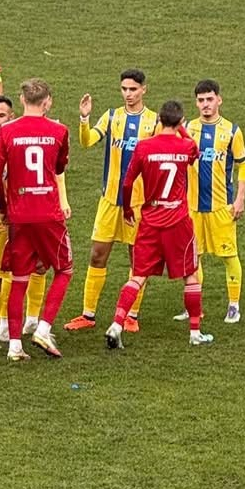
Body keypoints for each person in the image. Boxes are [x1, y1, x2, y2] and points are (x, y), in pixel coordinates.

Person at [106, 101, 211, 350]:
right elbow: (195, 151)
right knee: (190, 276)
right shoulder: (186, 146)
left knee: (138, 275)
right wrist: (182, 130)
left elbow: (127, 182)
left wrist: (129, 208)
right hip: (178, 220)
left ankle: (116, 324)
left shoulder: (144, 147)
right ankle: (195, 332)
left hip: (150, 220)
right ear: (180, 120)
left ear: (159, 120)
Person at [0, 79, 73, 362]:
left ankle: (14, 346)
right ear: (47, 101)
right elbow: (60, 166)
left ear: (22, 101)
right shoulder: (59, 130)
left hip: (20, 215)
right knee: (64, 270)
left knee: (19, 278)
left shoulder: (8, 132)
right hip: (48, 212)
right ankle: (44, 328)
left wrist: (4, 207)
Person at [65, 71, 156, 333]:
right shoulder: (112, 116)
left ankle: (131, 316)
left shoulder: (153, 122)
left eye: (133, 89)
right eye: (124, 89)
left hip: (138, 203)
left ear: (144, 90)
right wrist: (84, 118)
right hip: (110, 200)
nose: (128, 94)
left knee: (137, 259)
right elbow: (88, 141)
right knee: (97, 255)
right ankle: (88, 314)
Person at [0, 91, 45, 348]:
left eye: (1, 116)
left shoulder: (19, 141)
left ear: (11, 116)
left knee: (26, 269)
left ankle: (4, 325)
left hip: (19, 219)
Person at [183, 80, 245, 326]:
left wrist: (240, 198)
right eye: (201, 100)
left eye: (210, 99)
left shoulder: (231, 131)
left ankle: (233, 305)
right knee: (192, 257)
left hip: (222, 206)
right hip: (192, 208)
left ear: (219, 100)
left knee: (229, 256)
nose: (205, 105)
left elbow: (244, 163)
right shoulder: (188, 128)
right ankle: (195, 308)